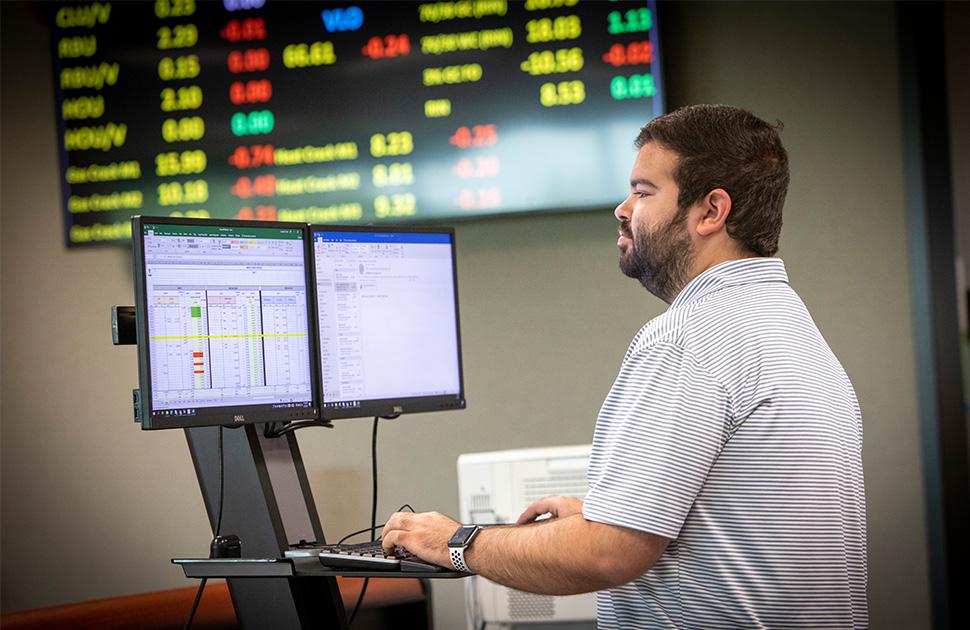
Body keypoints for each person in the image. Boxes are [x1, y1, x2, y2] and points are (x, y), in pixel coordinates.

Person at [381, 104, 868, 628]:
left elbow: (608, 555)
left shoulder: (688, 336)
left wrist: (455, 542)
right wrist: (614, 515)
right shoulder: (787, 323)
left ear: (711, 211)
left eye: (643, 191)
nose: (622, 208)